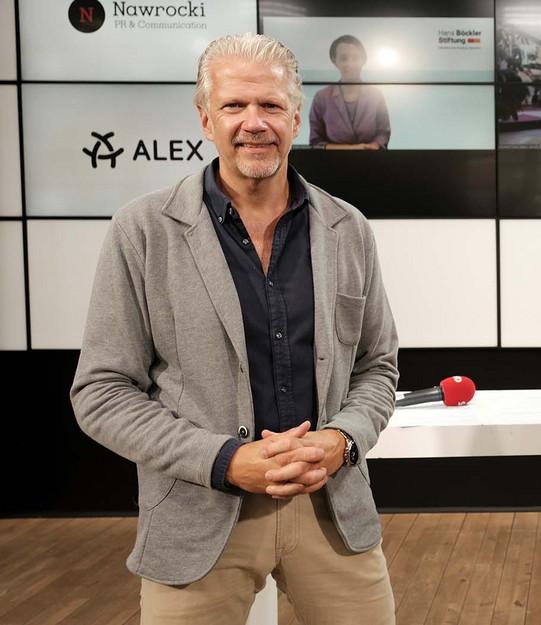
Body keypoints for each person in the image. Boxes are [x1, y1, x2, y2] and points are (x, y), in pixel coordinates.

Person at [70, 34, 399, 624]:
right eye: (234, 106)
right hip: (198, 515)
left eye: (271, 106)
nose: (255, 123)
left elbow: (377, 366)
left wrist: (342, 439)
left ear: (296, 118)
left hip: (332, 512)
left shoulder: (348, 228)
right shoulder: (142, 231)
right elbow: (101, 393)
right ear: (204, 118)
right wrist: (225, 460)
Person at [309, 34, 391, 150]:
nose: (350, 64)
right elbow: (316, 142)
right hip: (331, 164)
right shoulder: (321, 97)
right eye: (344, 58)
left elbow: (383, 133)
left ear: (363, 60)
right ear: (334, 60)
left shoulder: (375, 95)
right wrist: (355, 148)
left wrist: (374, 146)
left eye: (355, 58)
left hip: (372, 162)